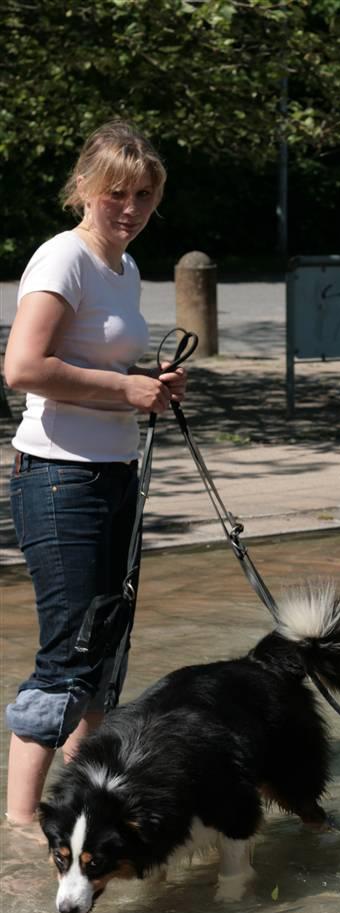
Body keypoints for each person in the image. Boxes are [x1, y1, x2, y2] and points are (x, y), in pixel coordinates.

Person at [4, 119, 187, 830]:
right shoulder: (63, 260)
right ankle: (19, 829)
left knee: (106, 653)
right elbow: (22, 368)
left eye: (144, 195)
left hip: (112, 474)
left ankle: (79, 812)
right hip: (57, 479)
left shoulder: (124, 267)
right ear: (85, 187)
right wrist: (125, 392)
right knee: (68, 654)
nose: (131, 209)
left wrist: (146, 381)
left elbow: (97, 364)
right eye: (117, 193)